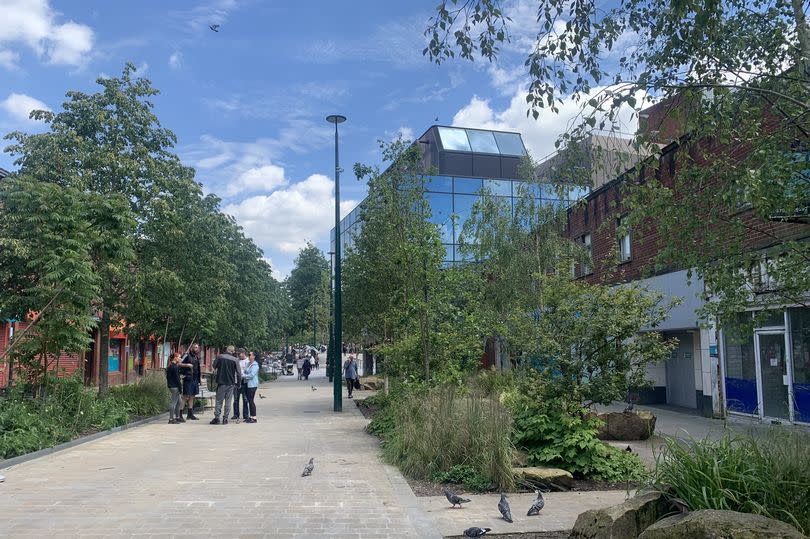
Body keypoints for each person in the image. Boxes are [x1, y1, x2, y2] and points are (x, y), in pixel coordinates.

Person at [211, 345, 242, 425]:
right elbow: (239, 373)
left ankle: (217, 418)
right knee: (228, 401)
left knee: (219, 401)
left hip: (221, 382)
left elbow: (214, 366)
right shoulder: (235, 360)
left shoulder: (220, 357)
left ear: (226, 350)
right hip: (231, 383)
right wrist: (238, 383)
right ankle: (225, 419)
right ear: (233, 351)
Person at [180, 343, 202, 420]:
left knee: (192, 396)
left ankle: (190, 414)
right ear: (191, 348)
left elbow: (198, 369)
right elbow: (179, 363)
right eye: (195, 347)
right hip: (188, 378)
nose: (197, 349)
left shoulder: (196, 356)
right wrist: (187, 365)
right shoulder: (186, 355)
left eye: (197, 347)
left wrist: (199, 380)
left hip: (195, 379)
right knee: (185, 396)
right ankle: (180, 414)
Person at [165, 352, 184, 424]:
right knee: (174, 402)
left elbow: (172, 377)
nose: (180, 359)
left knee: (179, 402)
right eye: (179, 357)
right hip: (175, 387)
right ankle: (171, 419)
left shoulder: (171, 366)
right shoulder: (174, 367)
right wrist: (180, 388)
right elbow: (177, 379)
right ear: (175, 358)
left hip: (172, 385)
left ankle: (177, 417)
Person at [241, 351, 260, 423]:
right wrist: (243, 373)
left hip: (252, 385)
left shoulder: (255, 365)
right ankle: (250, 416)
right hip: (247, 383)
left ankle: (254, 417)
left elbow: (251, 375)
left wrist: (243, 375)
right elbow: (245, 371)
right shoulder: (249, 363)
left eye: (250, 355)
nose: (248, 356)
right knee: (249, 400)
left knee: (251, 401)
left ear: (254, 356)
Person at [232, 348, 249, 421]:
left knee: (245, 399)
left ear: (243, 353)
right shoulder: (236, 360)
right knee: (236, 399)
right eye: (238, 354)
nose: (238, 355)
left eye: (239, 354)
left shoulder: (248, 362)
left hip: (244, 382)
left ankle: (245, 415)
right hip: (236, 382)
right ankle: (236, 414)